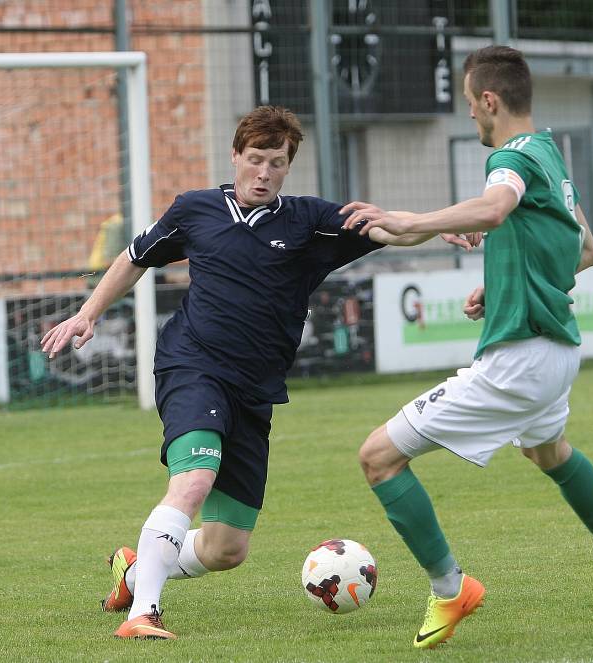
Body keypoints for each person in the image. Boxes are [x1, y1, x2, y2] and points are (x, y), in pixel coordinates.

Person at [41, 105, 474, 640]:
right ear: (235, 156)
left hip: (254, 388)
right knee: (194, 478)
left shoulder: (309, 220)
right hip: (191, 364)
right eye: (255, 160)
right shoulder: (195, 210)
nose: (264, 173)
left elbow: (385, 229)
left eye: (276, 163)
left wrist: (438, 228)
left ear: (288, 167)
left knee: (226, 548)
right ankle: (143, 616)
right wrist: (87, 314)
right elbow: (135, 256)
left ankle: (135, 571)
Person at [340, 45, 593, 650]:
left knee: (378, 457)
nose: (472, 121)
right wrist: (509, 280)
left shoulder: (511, 157)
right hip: (556, 352)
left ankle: (451, 589)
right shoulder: (551, 156)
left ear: (489, 100)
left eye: (470, 107)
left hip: (520, 359)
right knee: (548, 451)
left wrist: (410, 222)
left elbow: (497, 205)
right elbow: (586, 249)